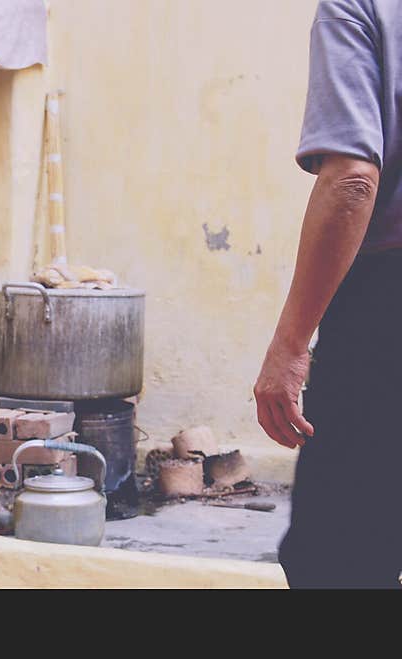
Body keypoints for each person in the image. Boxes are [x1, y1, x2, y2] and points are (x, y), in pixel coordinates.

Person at [254, 0, 402, 588]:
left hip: (385, 311)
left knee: (340, 559)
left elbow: (352, 177)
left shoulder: (361, 6)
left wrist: (290, 345)